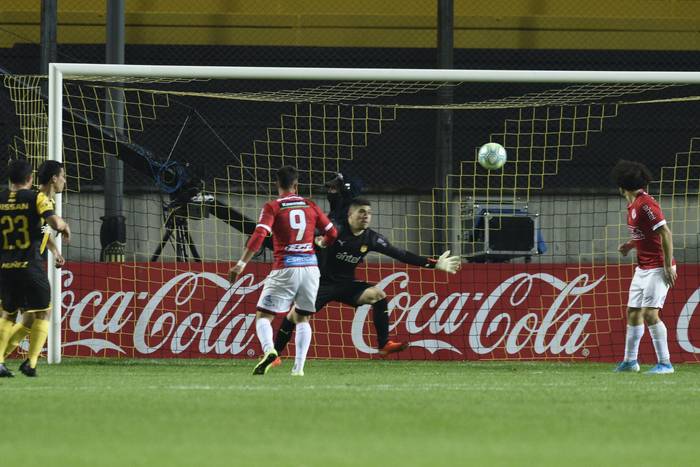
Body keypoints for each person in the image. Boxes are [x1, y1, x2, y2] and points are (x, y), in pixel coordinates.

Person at [273, 197, 461, 359]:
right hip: (321, 284)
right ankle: (273, 354)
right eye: (361, 212)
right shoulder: (335, 230)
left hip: (346, 285)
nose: (366, 216)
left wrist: (434, 264)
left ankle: (384, 344)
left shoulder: (371, 239)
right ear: (350, 215)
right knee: (294, 316)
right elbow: (307, 234)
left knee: (377, 295)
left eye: (369, 213)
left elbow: (400, 254)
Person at [229, 166, 337, 376]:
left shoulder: (273, 207)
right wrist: (322, 243)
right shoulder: (310, 205)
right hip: (310, 269)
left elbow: (260, 234)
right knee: (303, 317)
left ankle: (270, 351)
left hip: (285, 268)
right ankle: (298, 370)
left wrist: (241, 264)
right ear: (296, 185)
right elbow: (332, 232)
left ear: (277, 185)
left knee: (264, 316)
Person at [0, 159, 70, 377]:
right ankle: (27, 363)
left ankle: (8, 361)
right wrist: (64, 227)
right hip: (28, 265)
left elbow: (41, 233)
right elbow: (48, 226)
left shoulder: (26, 199)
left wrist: (55, 251)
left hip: (7, 264)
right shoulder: (37, 199)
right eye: (63, 176)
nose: (65, 181)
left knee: (17, 316)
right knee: (38, 315)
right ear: (53, 179)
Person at [612, 159, 676, 375]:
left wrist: (668, 265)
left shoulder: (646, 204)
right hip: (643, 268)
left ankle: (665, 363)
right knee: (633, 312)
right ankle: (630, 362)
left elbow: (665, 232)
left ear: (621, 186)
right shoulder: (632, 205)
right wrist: (630, 245)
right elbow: (646, 234)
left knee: (650, 314)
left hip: (658, 267)